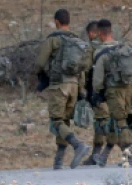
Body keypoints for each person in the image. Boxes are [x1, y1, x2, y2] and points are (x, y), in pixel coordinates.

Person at [34, 9, 92, 170]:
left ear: (57, 22)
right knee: (64, 121)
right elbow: (82, 69)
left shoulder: (53, 40)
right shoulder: (76, 41)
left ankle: (78, 145)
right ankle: (58, 162)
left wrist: (43, 74)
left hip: (59, 85)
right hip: (74, 86)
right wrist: (81, 90)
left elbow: (39, 62)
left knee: (56, 120)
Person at [90, 19, 132, 166]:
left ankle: (130, 157)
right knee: (114, 122)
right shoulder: (124, 49)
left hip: (113, 92)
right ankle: (104, 156)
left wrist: (96, 94)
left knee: (121, 122)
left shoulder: (101, 53)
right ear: (111, 32)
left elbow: (98, 79)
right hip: (128, 90)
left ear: (100, 33)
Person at [82, 20, 115, 166]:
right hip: (115, 91)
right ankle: (97, 154)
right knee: (105, 120)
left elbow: (87, 70)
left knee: (102, 121)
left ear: (92, 33)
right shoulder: (116, 45)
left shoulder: (92, 49)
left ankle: (124, 149)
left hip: (99, 91)